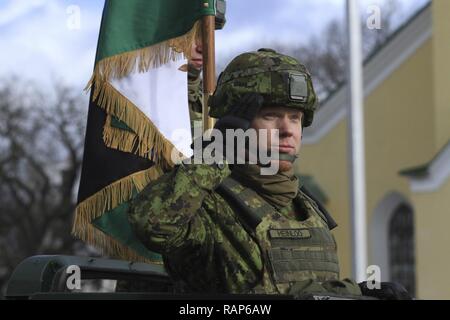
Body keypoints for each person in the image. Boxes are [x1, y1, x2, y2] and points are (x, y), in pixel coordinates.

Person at [127, 49, 410, 299]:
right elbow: (152, 224)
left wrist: (357, 292)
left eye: (296, 118)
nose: (287, 130)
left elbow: (303, 288)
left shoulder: (305, 205)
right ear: (236, 125)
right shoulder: (208, 204)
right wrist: (218, 150)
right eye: (271, 115)